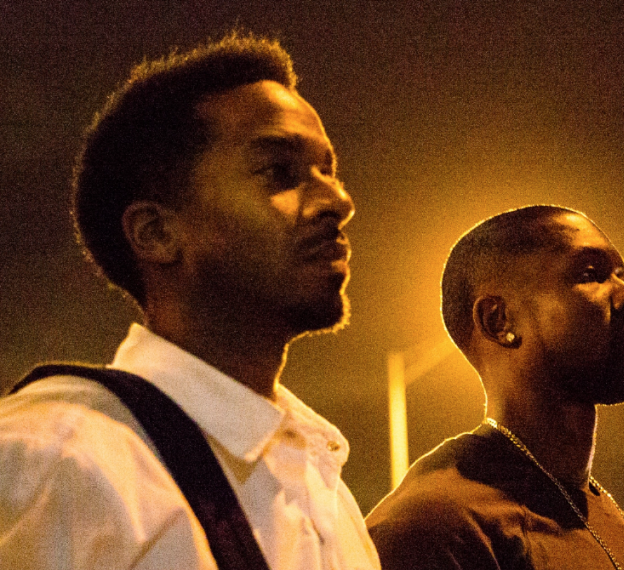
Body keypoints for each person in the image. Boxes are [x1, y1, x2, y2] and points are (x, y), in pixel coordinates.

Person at [0, 32, 380, 570]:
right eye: (279, 172)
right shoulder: (58, 461)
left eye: (328, 170)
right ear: (156, 233)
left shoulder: (325, 489)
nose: (339, 200)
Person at [366, 205, 624, 570]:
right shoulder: (433, 527)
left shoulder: (612, 523)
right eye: (590, 275)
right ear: (499, 320)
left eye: (621, 275)